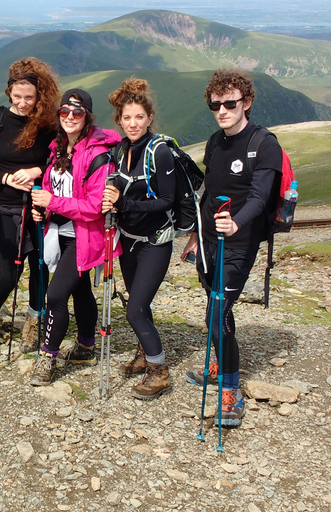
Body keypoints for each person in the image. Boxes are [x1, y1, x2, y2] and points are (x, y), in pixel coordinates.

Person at [180, 69, 282, 426]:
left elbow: (259, 195)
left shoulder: (264, 143)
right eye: (215, 104)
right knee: (215, 303)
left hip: (239, 242)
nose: (222, 110)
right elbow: (209, 191)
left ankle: (230, 391)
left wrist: (237, 222)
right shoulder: (215, 141)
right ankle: (220, 363)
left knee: (215, 313)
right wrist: (195, 234)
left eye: (230, 103)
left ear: (247, 103)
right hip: (209, 241)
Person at [29, 88, 121, 386]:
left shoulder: (97, 155)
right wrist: (43, 211)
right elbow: (52, 189)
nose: (69, 117)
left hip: (85, 235)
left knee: (55, 295)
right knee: (80, 290)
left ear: (88, 116)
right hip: (62, 230)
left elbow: (96, 207)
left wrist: (51, 203)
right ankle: (86, 346)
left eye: (77, 112)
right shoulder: (58, 147)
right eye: (64, 111)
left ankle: (47, 357)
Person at [101, 77, 176, 400]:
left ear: (149, 118)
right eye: (127, 118)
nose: (133, 124)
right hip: (128, 239)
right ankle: (146, 352)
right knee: (139, 302)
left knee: (134, 309)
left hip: (155, 241)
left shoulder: (158, 152)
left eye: (139, 118)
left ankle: (159, 371)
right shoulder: (120, 150)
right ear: (119, 120)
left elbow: (167, 200)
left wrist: (124, 204)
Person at [0, 57, 59, 351]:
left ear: (39, 95)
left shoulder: (47, 123)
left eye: (30, 97)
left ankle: (34, 324)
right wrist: (6, 178)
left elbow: (57, 161)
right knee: (9, 275)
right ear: (9, 92)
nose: (23, 103)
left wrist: (37, 171)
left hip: (39, 209)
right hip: (6, 208)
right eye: (18, 96)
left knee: (40, 270)